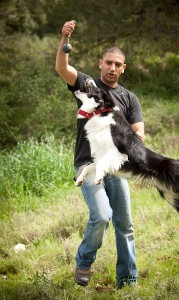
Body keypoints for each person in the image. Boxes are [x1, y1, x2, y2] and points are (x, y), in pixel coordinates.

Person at [55, 21, 145, 289]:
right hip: (88, 165)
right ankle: (84, 260)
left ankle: (127, 280)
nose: (113, 68)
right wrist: (64, 38)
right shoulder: (88, 84)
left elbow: (139, 135)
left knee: (125, 224)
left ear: (123, 68)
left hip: (115, 167)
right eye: (108, 62)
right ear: (100, 63)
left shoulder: (130, 98)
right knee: (103, 216)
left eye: (118, 64)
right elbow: (62, 68)